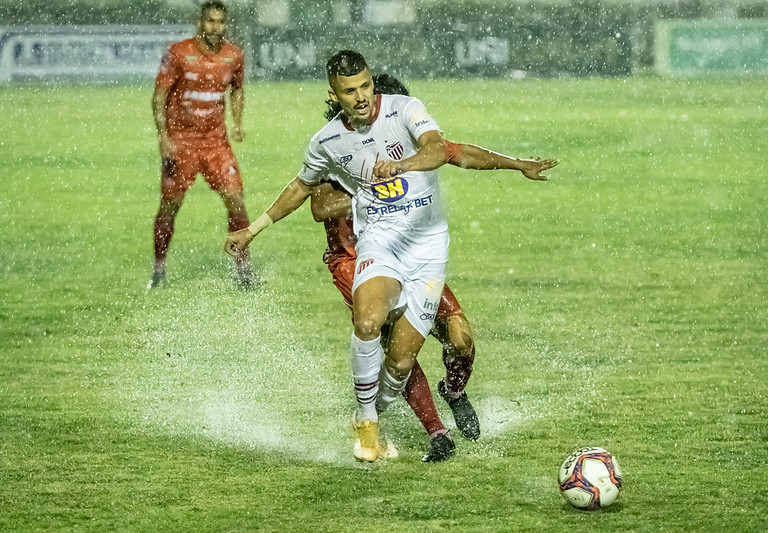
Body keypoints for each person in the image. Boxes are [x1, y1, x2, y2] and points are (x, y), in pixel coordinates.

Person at [225, 50, 556, 463]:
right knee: (368, 322)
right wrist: (252, 229)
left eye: (366, 86)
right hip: (373, 248)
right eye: (351, 90)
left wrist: (512, 164)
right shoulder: (327, 141)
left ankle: (410, 401)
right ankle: (378, 424)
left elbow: (445, 150)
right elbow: (303, 190)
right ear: (335, 93)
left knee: (408, 359)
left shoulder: (405, 111)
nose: (362, 96)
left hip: (425, 255)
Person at [311, 73, 558, 461]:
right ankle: (434, 431)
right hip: (357, 261)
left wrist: (517, 164)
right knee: (397, 344)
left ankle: (453, 393)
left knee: (459, 337)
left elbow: (456, 152)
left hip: (414, 255)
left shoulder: (409, 145)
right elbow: (320, 207)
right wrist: (372, 192)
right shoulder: (337, 147)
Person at [149, 0, 256, 289]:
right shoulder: (179, 53)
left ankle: (243, 270)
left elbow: (237, 89)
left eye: (220, 22)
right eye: (210, 21)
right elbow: (159, 96)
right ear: (200, 22)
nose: (215, 27)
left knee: (235, 199)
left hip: (215, 143)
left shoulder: (233, 55)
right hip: (181, 143)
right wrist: (164, 136)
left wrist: (237, 123)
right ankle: (159, 269)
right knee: (170, 205)